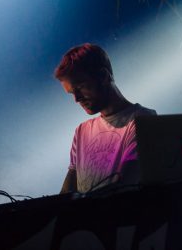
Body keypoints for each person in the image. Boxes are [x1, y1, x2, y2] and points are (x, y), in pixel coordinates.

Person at [55, 43, 156, 194]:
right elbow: (66, 195)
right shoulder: (82, 131)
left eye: (80, 87)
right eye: (72, 93)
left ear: (103, 76)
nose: (76, 99)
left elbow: (126, 187)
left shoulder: (143, 119)